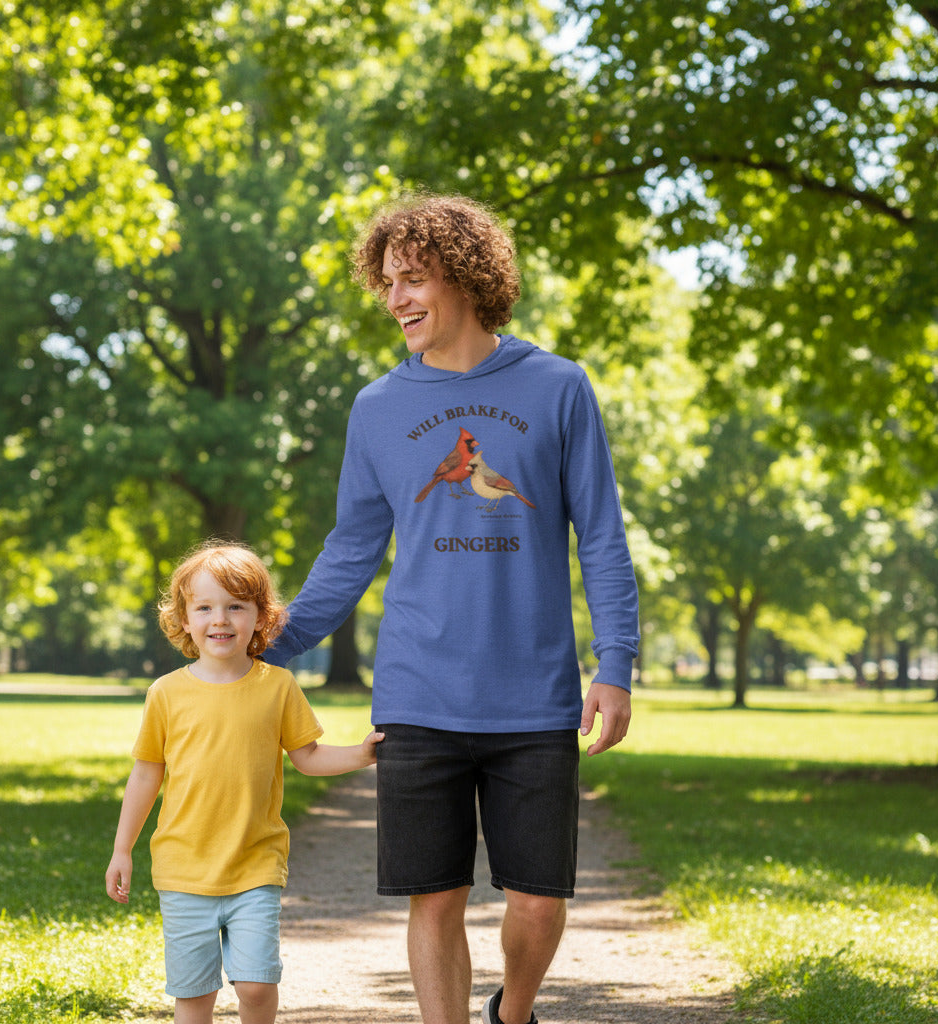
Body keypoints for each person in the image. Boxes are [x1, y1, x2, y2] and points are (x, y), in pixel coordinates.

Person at [263, 193, 639, 1024]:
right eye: (387, 283)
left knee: (538, 902)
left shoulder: (559, 386)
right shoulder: (376, 407)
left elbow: (602, 538)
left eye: (413, 279)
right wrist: (267, 646)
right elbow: (351, 549)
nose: (396, 299)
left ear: (467, 277)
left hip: (535, 696)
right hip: (417, 693)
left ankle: (514, 1014)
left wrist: (616, 665)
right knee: (432, 899)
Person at [105, 540, 383, 1024]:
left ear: (261, 617)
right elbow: (147, 771)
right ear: (184, 619)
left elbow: (308, 756)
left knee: (256, 987)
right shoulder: (166, 693)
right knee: (194, 996)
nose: (221, 619)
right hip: (184, 869)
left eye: (236, 606)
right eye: (205, 607)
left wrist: (361, 754)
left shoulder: (277, 686)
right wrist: (122, 848)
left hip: (255, 863)